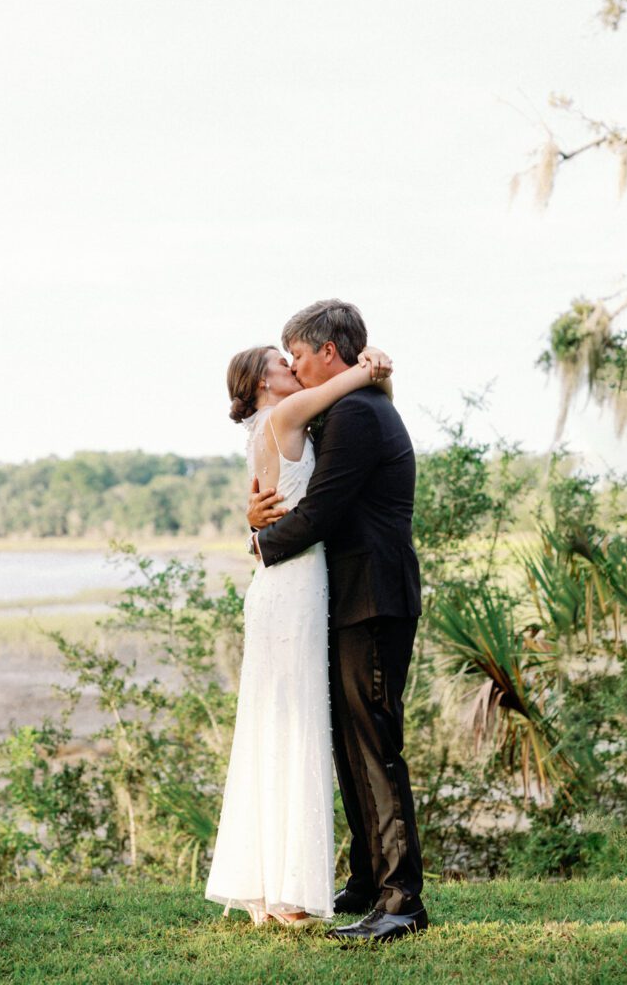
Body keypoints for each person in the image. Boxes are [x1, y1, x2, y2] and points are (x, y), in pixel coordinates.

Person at [247, 299, 427, 943]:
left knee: (376, 747)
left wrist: (261, 544)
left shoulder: (355, 412)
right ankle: (367, 877)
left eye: (297, 354)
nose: (294, 365)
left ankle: (401, 899)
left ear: (329, 351)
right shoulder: (352, 405)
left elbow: (321, 512)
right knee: (352, 743)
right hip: (351, 598)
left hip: (373, 598)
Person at [205, 338, 392, 927]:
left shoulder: (268, 425)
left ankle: (271, 886)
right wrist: (372, 365)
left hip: (286, 583)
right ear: (262, 384)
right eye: (280, 364)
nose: (292, 368)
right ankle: (286, 893)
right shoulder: (286, 413)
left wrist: (254, 523)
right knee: (294, 723)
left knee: (277, 723)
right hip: (293, 587)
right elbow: (343, 384)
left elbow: (269, 501)